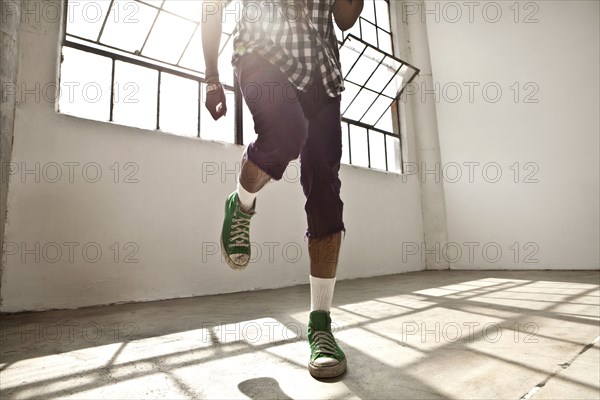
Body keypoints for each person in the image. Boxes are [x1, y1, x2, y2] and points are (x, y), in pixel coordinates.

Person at [202, 0, 363, 379]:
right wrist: (211, 77)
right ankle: (241, 204)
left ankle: (320, 325)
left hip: (321, 75)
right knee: (286, 134)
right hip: (262, 50)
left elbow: (343, 18)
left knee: (325, 194)